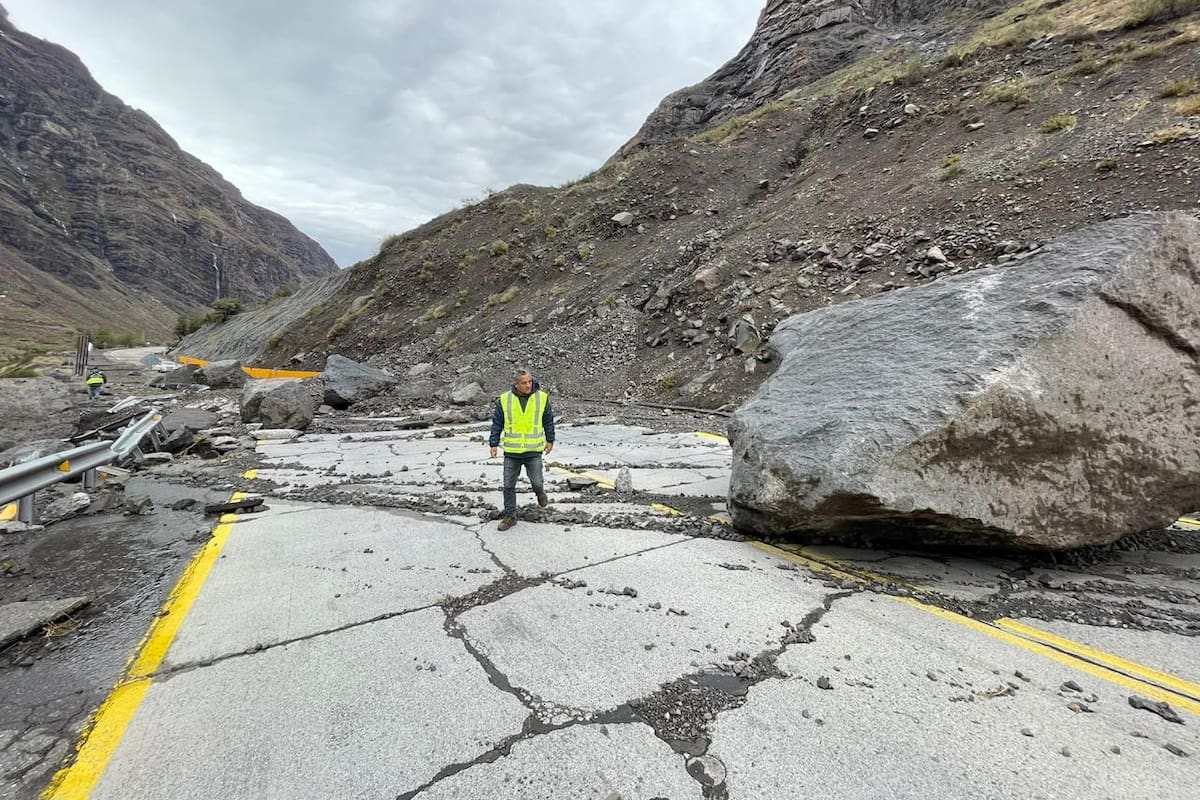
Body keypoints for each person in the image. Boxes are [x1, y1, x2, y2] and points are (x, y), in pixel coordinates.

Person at [489, 369, 555, 530]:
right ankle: (510, 516)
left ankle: (540, 493)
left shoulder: (542, 398)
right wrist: (493, 443)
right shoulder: (505, 399)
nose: (528, 385)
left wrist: (550, 440)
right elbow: (497, 422)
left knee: (537, 482)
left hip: (533, 451)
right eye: (524, 383)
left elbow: (548, 421)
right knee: (508, 485)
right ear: (516, 384)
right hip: (512, 452)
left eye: (530, 382)